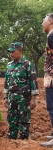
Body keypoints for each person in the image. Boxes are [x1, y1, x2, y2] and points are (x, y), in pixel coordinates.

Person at [3, 42, 39, 140]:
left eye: (13, 51)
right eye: (10, 52)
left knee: (24, 118)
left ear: (20, 51)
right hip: (12, 97)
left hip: (24, 97)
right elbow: (6, 82)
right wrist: (5, 97)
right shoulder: (9, 65)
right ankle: (12, 139)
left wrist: (34, 99)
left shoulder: (27, 64)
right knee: (11, 118)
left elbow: (33, 81)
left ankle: (24, 140)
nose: (11, 54)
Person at [39, 13, 53, 147]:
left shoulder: (52, 36)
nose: (42, 24)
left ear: (50, 21)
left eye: (44, 21)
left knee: (52, 106)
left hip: (52, 77)